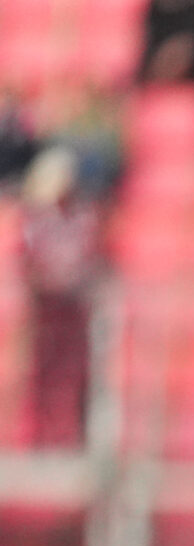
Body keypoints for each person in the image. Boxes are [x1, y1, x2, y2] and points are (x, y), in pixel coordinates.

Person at [17, 147, 105, 452]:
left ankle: (66, 440)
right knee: (41, 379)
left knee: (71, 380)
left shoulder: (83, 216)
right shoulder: (35, 219)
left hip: (73, 311)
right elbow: (29, 264)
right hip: (44, 312)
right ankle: (36, 440)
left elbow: (91, 259)